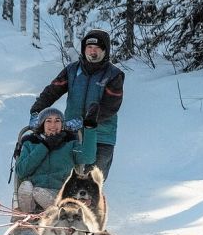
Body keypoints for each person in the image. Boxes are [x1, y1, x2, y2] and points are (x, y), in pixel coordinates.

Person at [29, 29, 124, 180]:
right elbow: (53, 90)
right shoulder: (72, 70)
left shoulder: (113, 75)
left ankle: (94, 203)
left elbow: (111, 106)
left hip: (101, 136)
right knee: (69, 179)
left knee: (93, 181)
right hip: (73, 135)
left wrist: (85, 121)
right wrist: (36, 110)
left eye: (97, 48)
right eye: (89, 47)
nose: (92, 52)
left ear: (105, 50)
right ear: (84, 49)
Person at [15, 107, 90, 213]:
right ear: (42, 124)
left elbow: (88, 157)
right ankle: (29, 217)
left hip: (60, 193)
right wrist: (45, 146)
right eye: (48, 121)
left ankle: (59, 212)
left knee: (39, 193)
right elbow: (21, 171)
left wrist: (91, 130)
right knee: (25, 187)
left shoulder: (70, 143)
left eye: (57, 121)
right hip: (33, 193)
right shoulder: (29, 143)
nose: (53, 125)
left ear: (62, 125)